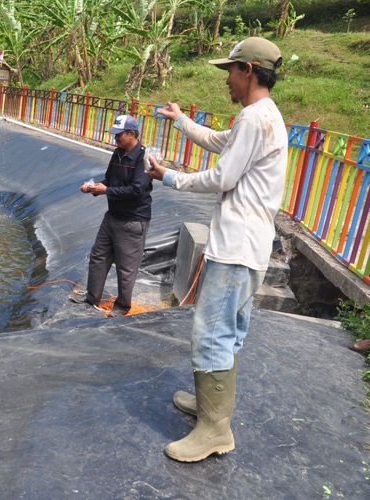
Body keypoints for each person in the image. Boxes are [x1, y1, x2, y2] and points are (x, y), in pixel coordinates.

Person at [145, 37, 287, 462]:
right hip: (252, 246)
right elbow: (219, 140)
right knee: (231, 330)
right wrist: (181, 121)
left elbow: (222, 177)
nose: (226, 78)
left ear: (248, 70)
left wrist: (171, 178)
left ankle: (214, 430)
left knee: (212, 331)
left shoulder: (254, 120)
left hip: (237, 246)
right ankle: (213, 410)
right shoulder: (263, 118)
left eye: (229, 70)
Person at [70, 114, 153, 316]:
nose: (115, 139)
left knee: (126, 267)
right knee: (98, 256)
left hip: (133, 220)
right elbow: (108, 180)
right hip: (113, 216)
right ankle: (92, 297)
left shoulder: (143, 158)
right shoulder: (117, 154)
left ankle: (122, 307)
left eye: (119, 135)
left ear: (132, 134)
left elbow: (137, 190)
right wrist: (93, 187)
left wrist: (106, 190)